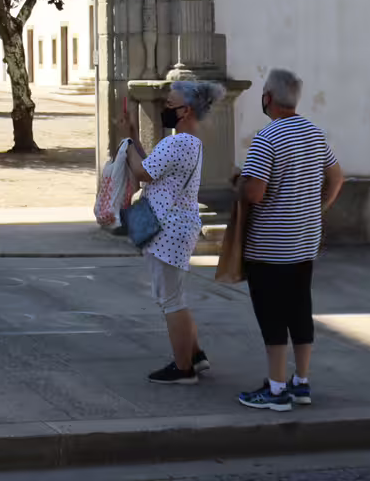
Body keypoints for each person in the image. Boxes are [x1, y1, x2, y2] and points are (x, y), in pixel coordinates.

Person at [234, 68, 345, 413]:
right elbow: (337, 175)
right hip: (304, 241)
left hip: (269, 245)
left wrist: (238, 182)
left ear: (268, 97)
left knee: (272, 316)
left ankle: (277, 389)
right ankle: (301, 382)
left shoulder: (267, 139)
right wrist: (318, 207)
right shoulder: (314, 133)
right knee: (300, 311)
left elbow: (255, 192)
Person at [119, 79, 226, 385]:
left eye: (169, 105)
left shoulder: (176, 143)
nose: (163, 109)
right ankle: (194, 355)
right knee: (176, 296)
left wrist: (126, 148)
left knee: (171, 301)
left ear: (186, 110)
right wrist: (134, 139)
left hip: (167, 230)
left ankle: (183, 368)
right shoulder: (190, 142)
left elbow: (141, 172)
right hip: (180, 226)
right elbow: (152, 166)